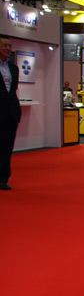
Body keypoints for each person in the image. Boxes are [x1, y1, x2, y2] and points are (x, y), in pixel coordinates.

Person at [0, 35, 20, 190]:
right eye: (4, 45)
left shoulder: (14, 68)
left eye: (9, 45)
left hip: (10, 113)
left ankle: (3, 178)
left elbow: (12, 91)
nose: (8, 48)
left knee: (7, 147)